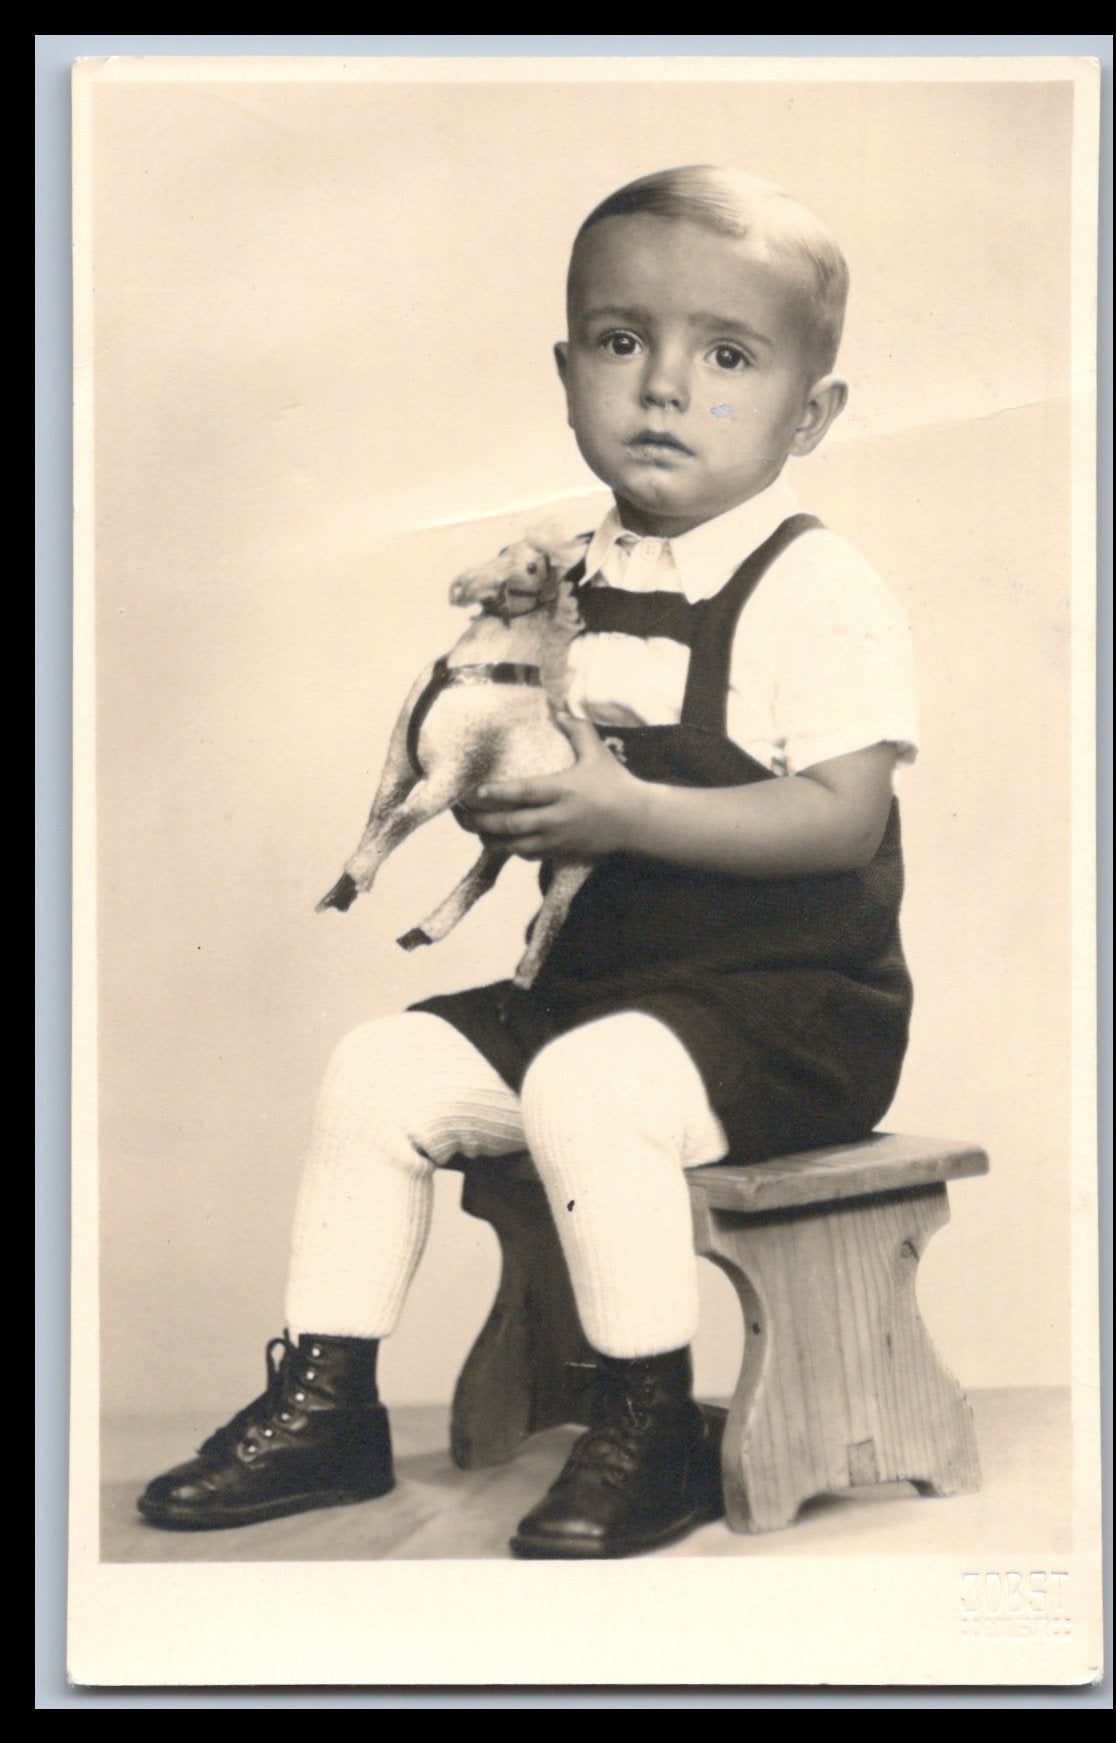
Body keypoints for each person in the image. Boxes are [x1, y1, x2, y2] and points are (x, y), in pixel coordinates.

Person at [138, 165, 918, 1558]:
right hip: (595, 991)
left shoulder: (817, 588)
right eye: (623, 342)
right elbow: (514, 749)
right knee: (380, 1071)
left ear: (812, 413)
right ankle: (329, 1403)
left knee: (589, 1086)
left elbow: (843, 818)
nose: (664, 387)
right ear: (567, 375)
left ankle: (650, 1424)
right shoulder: (558, 575)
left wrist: (628, 816)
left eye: (727, 357)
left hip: (786, 1015)